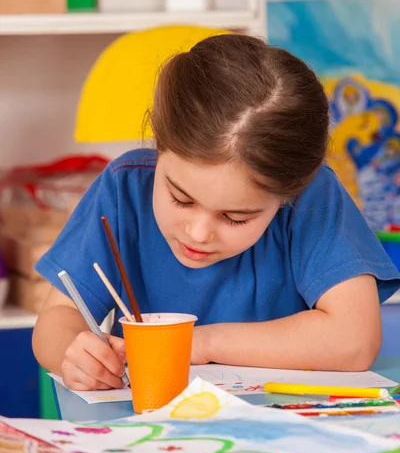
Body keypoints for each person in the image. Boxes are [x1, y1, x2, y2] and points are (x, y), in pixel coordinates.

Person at [32, 34, 400, 391]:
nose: (198, 233)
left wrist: (199, 344)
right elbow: (55, 321)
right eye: (180, 199)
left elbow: (354, 340)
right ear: (160, 145)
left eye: (236, 218)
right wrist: (75, 352)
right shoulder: (124, 189)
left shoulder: (314, 196)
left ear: (289, 194)